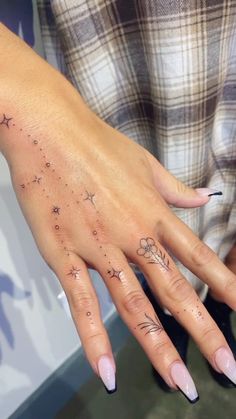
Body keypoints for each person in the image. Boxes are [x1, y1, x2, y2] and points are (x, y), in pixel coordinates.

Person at [0, 0, 235, 404]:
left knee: (225, 208)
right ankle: (172, 318)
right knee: (153, 234)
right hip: (132, 69)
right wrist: (24, 102)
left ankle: (217, 306)